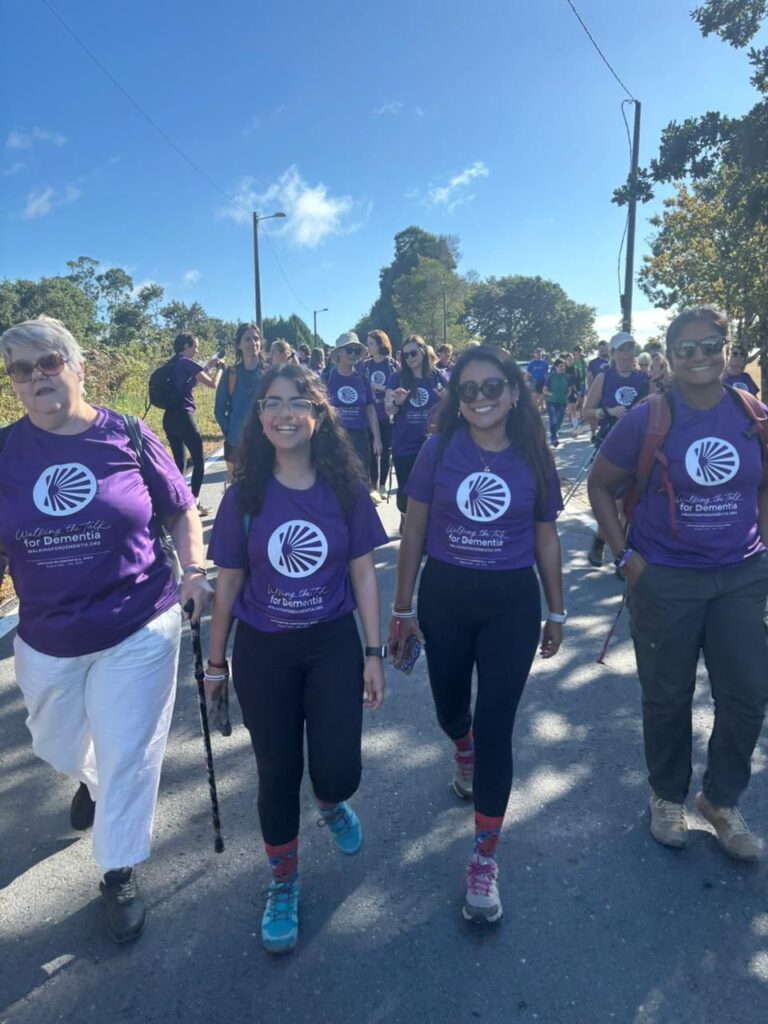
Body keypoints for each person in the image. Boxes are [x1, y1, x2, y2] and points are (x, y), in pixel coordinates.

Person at [0, 316, 211, 943]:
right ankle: (90, 777)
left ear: (78, 368)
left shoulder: (128, 435)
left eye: (48, 362)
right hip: (47, 635)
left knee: (130, 752)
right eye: (20, 369)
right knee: (55, 742)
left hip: (138, 621)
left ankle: (118, 870)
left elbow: (180, 509)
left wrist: (195, 572)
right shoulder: (4, 451)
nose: (36, 377)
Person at [205, 363, 388, 954]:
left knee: (339, 771)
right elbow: (228, 584)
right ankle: (283, 881)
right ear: (259, 416)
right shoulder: (243, 495)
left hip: (331, 642)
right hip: (265, 650)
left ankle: (330, 802)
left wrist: (373, 652)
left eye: (297, 403)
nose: (284, 414)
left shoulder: (345, 489)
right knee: (276, 772)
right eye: (272, 403)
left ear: (318, 414)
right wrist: (215, 663)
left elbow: (364, 573)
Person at [389, 345, 564, 924]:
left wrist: (557, 611)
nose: (482, 397)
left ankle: (484, 858)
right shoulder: (438, 449)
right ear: (457, 399)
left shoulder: (534, 452)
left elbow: (545, 537)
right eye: (469, 389)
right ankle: (459, 747)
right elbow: (414, 530)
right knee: (450, 712)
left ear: (513, 392)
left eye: (493, 387)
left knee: (496, 728)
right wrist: (401, 607)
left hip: (511, 606)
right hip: (445, 600)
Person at [587, 306, 767, 863]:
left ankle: (720, 800)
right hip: (665, 579)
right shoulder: (648, 418)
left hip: (740, 576)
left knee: (747, 694)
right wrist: (625, 557)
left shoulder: (753, 414)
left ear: (727, 349)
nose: (699, 356)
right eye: (686, 348)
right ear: (668, 356)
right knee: (667, 696)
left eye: (711, 345)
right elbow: (599, 484)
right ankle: (667, 797)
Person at [582, 332, 649, 566]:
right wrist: (608, 411)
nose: (627, 354)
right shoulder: (604, 377)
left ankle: (619, 553)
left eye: (630, 348)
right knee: (615, 503)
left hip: (640, 446)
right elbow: (586, 412)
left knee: (631, 505)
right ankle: (606, 544)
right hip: (611, 445)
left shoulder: (643, 379)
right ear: (612, 353)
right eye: (622, 349)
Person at [385, 335, 445, 533]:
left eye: (413, 353)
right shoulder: (397, 378)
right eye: (405, 355)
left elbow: (455, 403)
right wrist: (397, 402)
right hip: (405, 443)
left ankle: (429, 528)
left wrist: (447, 399)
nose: (409, 358)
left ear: (423, 351)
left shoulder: (437, 376)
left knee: (433, 487)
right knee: (406, 488)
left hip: (432, 443)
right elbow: (388, 409)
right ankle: (405, 521)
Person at [162, 332, 223, 517]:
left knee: (179, 463)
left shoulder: (173, 363)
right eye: (195, 346)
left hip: (169, 418)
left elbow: (191, 382)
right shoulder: (186, 362)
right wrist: (220, 369)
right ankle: (194, 502)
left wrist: (208, 366)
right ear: (185, 346)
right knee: (198, 460)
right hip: (184, 417)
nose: (197, 350)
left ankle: (176, 504)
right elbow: (212, 384)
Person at [326, 332, 382, 495]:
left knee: (362, 484)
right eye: (349, 350)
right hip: (336, 437)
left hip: (360, 438)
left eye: (356, 351)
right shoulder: (327, 378)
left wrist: (377, 439)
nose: (353, 354)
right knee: (337, 484)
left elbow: (370, 409)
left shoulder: (363, 380)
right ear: (338, 353)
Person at [214, 323, 264, 481]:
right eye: (247, 339)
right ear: (238, 345)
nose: (253, 343)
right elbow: (219, 410)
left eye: (256, 339)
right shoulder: (231, 374)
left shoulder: (270, 373)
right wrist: (229, 431)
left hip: (266, 443)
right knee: (238, 489)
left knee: (266, 488)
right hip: (236, 444)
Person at [364, 330, 397, 501]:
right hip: (370, 414)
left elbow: (399, 386)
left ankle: (382, 485)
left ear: (380, 344)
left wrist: (381, 387)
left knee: (385, 450)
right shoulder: (365, 365)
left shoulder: (391, 364)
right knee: (371, 450)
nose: (368, 347)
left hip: (387, 414)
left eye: (370, 343)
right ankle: (373, 485)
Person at [543, 358, 568, 447]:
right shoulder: (551, 377)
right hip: (551, 402)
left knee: (559, 420)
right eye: (560, 366)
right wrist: (552, 394)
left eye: (564, 366)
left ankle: (556, 431)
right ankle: (554, 438)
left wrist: (566, 395)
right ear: (556, 367)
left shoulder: (566, 377)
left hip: (562, 402)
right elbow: (544, 390)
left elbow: (570, 388)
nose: (562, 368)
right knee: (553, 420)